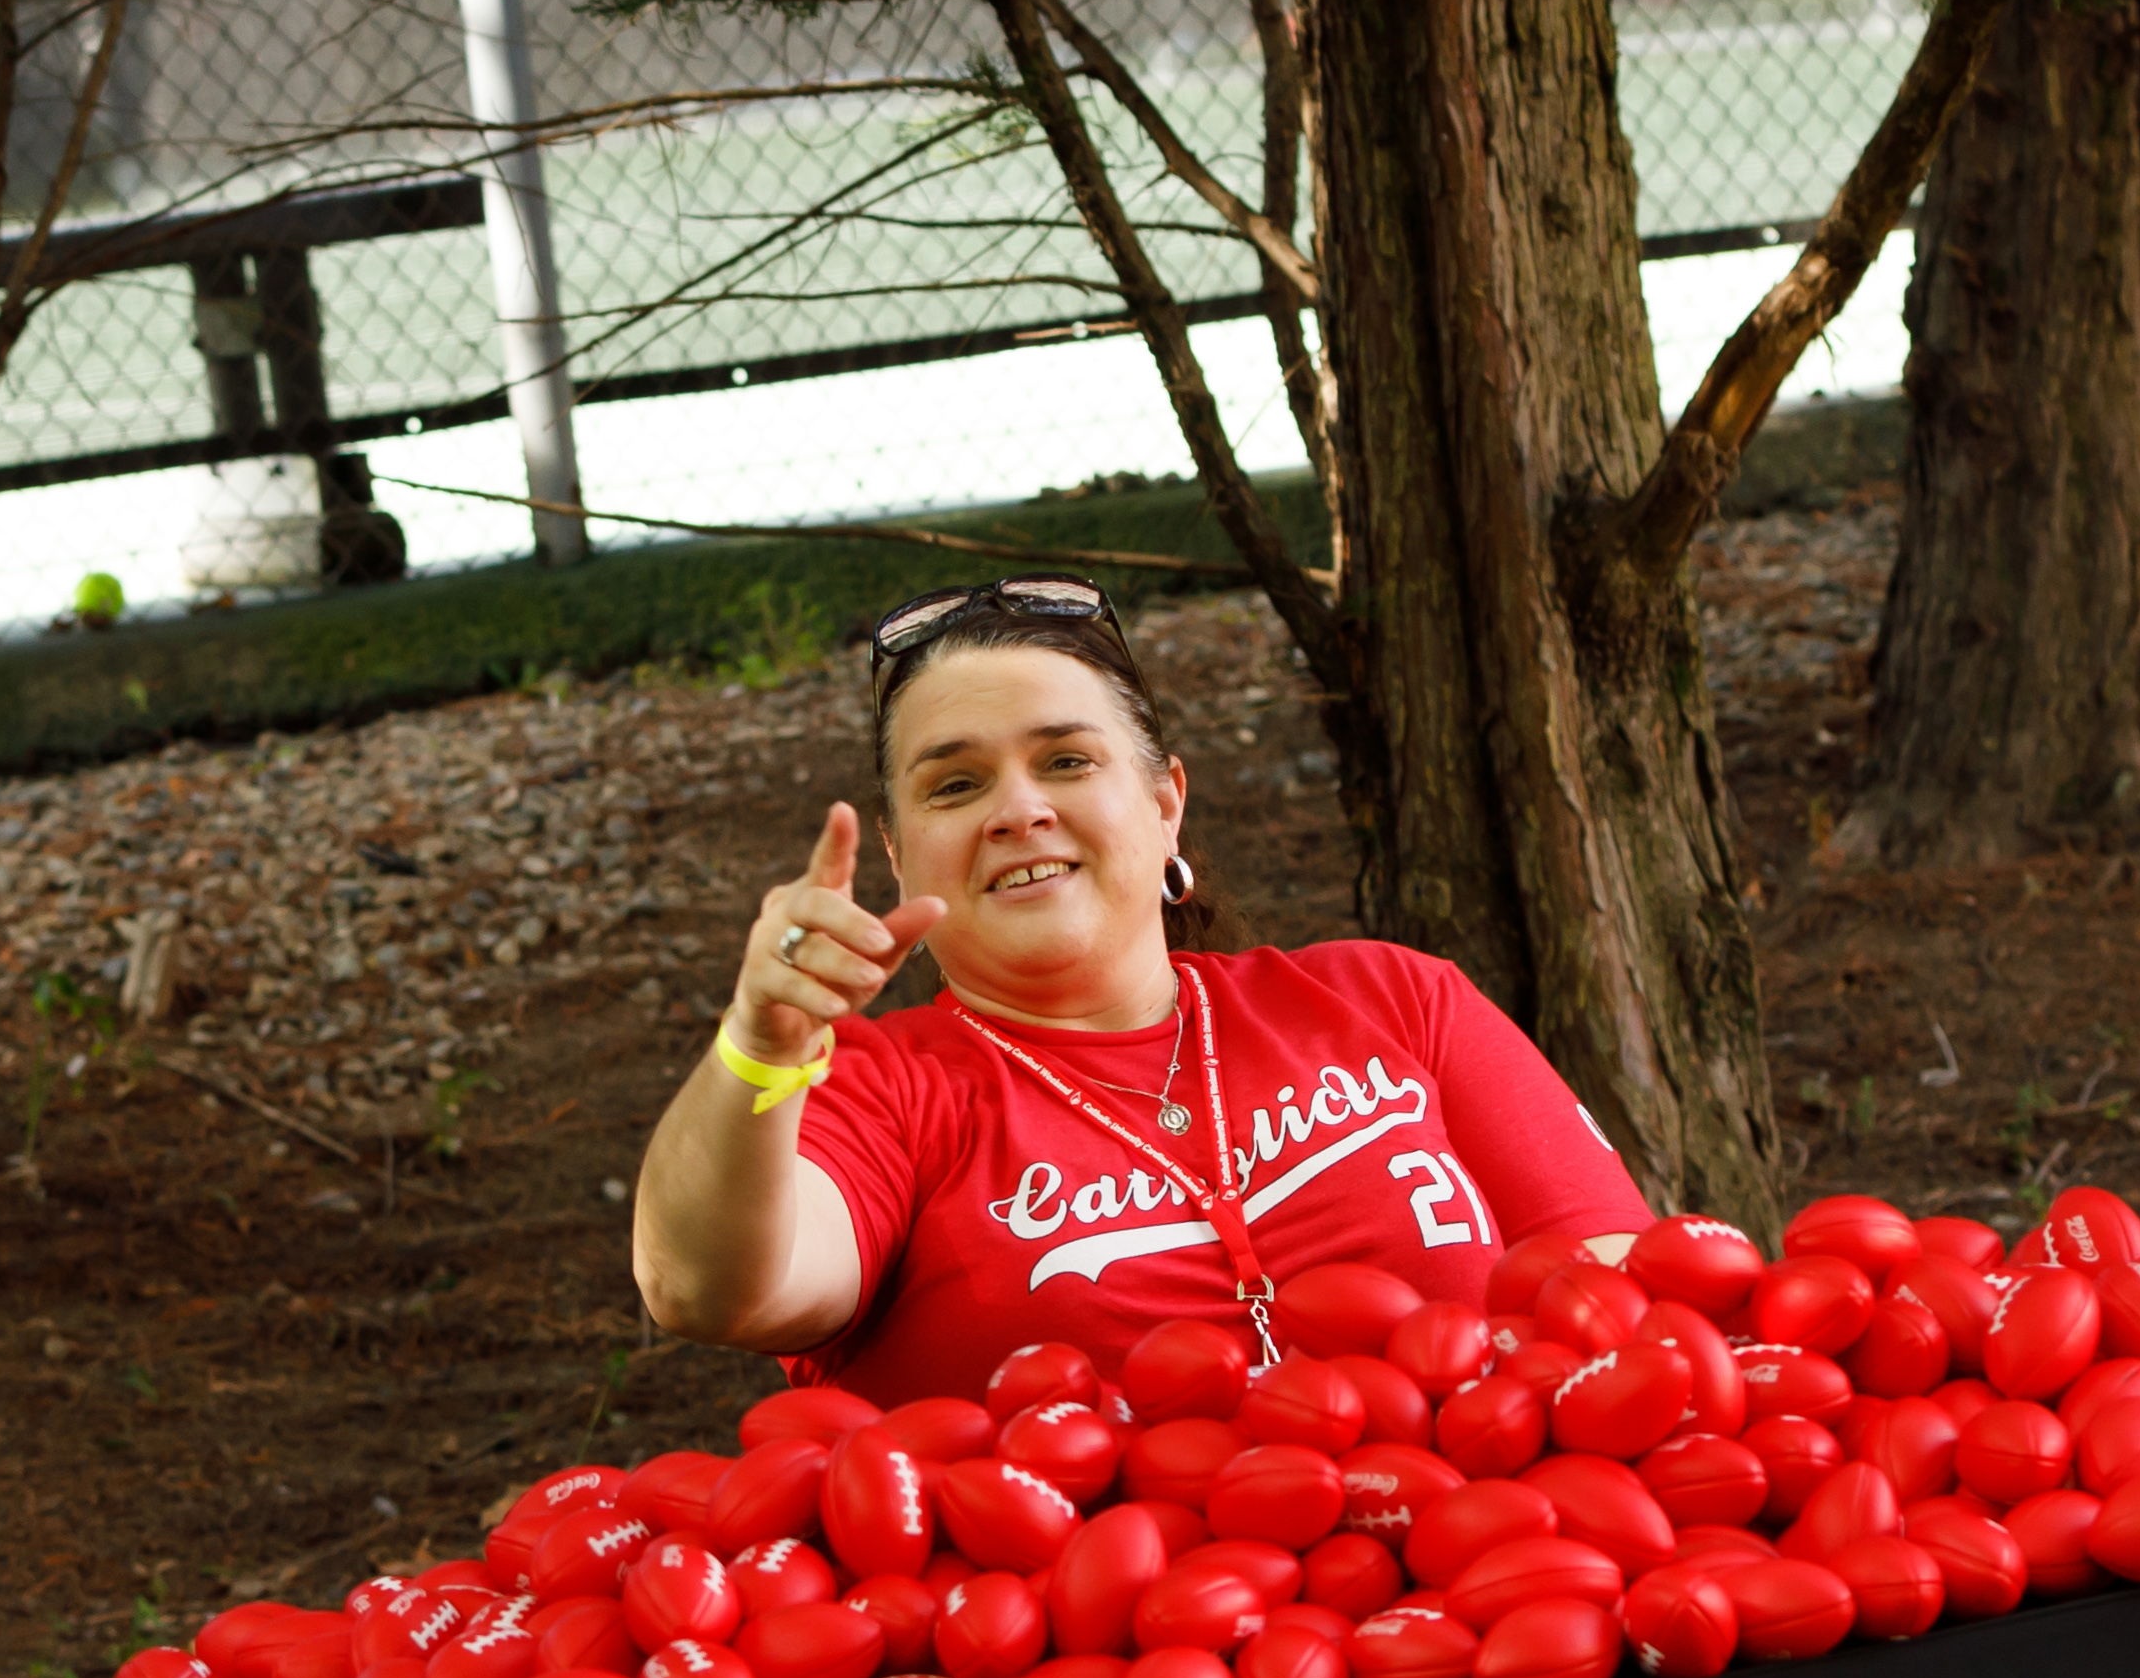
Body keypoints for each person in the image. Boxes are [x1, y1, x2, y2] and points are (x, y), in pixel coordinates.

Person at [630, 575, 1653, 1408]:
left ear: (1165, 804)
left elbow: (1628, 1308)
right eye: (956, 784)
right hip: (1101, 1656)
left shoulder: (1388, 999)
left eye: (1066, 760)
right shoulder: (867, 1092)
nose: (1019, 809)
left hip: (1490, 1590)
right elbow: (707, 1288)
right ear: (900, 856)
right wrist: (756, 1049)